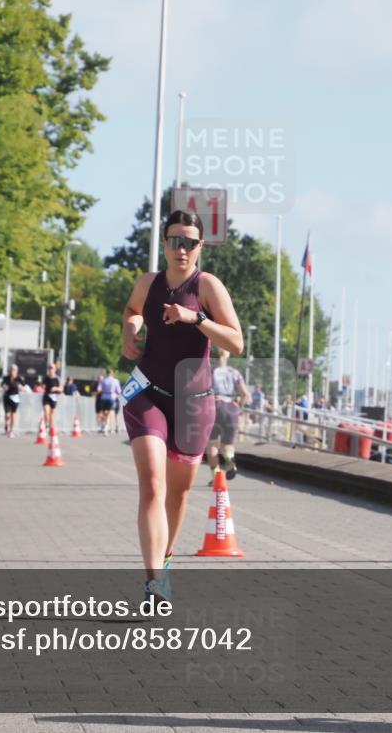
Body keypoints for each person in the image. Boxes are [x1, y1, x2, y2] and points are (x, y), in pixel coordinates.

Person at [121, 210, 244, 604]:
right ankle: (154, 579)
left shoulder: (207, 286)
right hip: (149, 393)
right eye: (174, 240)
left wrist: (196, 319)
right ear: (164, 243)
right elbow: (132, 310)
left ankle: (167, 557)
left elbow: (236, 343)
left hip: (193, 404)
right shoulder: (149, 282)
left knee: (178, 494)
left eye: (189, 242)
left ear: (200, 247)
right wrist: (131, 329)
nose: (181, 249)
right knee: (153, 485)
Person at [206, 348, 250, 484]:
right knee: (228, 444)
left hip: (215, 406)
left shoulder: (209, 371)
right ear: (228, 355)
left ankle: (216, 476)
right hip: (232, 408)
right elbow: (245, 395)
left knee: (212, 444)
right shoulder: (234, 372)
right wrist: (239, 407)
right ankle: (229, 459)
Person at [1, 364, 25, 438]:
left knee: (13, 415)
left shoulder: (19, 378)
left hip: (15, 398)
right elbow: (2, 384)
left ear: (16, 371)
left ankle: (11, 430)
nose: (12, 371)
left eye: (14, 370)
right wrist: (4, 387)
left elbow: (23, 386)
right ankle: (6, 424)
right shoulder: (6, 378)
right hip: (7, 397)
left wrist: (21, 387)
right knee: (7, 414)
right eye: (11, 369)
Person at [98, 368, 122, 435]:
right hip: (112, 397)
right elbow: (119, 391)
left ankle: (105, 426)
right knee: (110, 412)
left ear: (106, 373)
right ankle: (106, 427)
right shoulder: (115, 381)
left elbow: (99, 389)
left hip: (103, 397)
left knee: (104, 412)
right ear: (112, 373)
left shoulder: (103, 381)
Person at [41, 363, 62, 429]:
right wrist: (43, 386)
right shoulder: (46, 378)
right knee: (46, 412)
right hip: (46, 396)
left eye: (52, 368)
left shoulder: (57, 379)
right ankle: (45, 425)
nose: (50, 369)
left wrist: (56, 388)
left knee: (52, 414)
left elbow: (61, 389)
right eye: (49, 368)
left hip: (54, 397)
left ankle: (51, 428)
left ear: (55, 369)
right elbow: (42, 385)